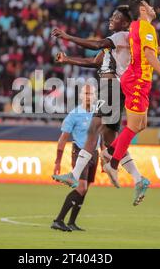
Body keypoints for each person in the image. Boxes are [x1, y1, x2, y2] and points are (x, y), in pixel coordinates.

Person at [51, 4, 160, 205]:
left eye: (115, 17)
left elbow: (97, 45)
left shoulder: (119, 37)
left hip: (113, 87)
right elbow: (95, 61)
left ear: (125, 22)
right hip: (120, 88)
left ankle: (75, 173)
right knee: (111, 139)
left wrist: (68, 37)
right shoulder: (121, 41)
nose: (111, 19)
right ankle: (138, 178)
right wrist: (68, 59)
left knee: (94, 129)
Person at [102, 0, 160, 191]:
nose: (153, 8)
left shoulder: (137, 27)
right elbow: (150, 55)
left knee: (141, 125)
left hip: (137, 79)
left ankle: (109, 152)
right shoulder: (146, 28)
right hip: (137, 80)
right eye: (150, 6)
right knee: (134, 125)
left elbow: (152, 50)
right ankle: (112, 164)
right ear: (143, 9)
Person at [51, 84, 98, 231]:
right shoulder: (74, 114)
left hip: (94, 153)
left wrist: (103, 156)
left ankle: (71, 222)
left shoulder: (99, 113)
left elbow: (100, 135)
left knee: (85, 188)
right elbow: (62, 138)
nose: (88, 96)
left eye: (91, 94)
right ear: (81, 96)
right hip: (79, 152)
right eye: (86, 94)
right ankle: (58, 220)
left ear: (95, 96)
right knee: (81, 187)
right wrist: (57, 162)